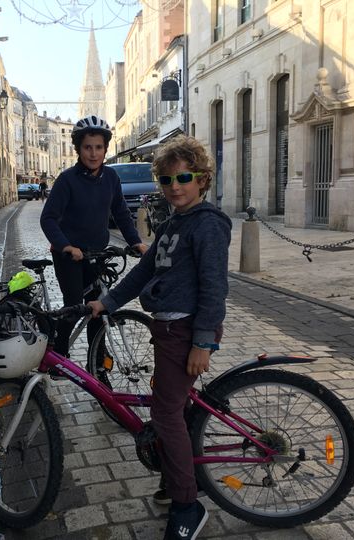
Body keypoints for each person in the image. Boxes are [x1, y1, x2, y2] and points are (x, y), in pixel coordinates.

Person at [87, 135, 231, 540]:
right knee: (173, 408)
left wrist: (203, 342)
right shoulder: (172, 225)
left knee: (166, 413)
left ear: (202, 179)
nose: (175, 187)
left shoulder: (207, 224)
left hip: (185, 330)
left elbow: (214, 286)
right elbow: (142, 271)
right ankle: (175, 475)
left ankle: (188, 502)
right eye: (166, 180)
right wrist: (107, 302)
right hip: (166, 328)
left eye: (184, 177)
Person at [40, 115, 148, 357]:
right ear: (78, 149)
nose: (93, 153)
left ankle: (97, 364)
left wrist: (136, 242)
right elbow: (48, 218)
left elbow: (120, 213)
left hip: (97, 255)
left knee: (98, 309)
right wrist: (65, 246)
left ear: (105, 149)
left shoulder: (111, 178)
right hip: (70, 256)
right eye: (87, 147)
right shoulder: (67, 180)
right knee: (75, 305)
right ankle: (58, 353)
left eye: (98, 147)